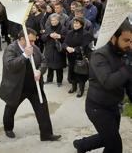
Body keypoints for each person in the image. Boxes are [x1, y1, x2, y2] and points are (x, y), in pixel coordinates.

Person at [73, 19, 132, 153]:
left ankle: (82, 145)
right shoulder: (99, 55)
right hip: (97, 107)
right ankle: (82, 145)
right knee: (115, 145)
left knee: (109, 137)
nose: (130, 45)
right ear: (113, 38)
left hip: (114, 105)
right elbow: (108, 81)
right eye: (126, 40)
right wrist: (128, 68)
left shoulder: (126, 52)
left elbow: (128, 82)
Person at [0, 28, 61, 141]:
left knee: (42, 109)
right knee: (11, 108)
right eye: (31, 41)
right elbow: (10, 66)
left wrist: (40, 71)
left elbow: (43, 61)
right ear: (22, 39)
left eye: (34, 40)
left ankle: (46, 134)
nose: (33, 43)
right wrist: (24, 55)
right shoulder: (11, 49)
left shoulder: (34, 47)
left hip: (34, 86)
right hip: (18, 87)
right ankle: (8, 128)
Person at [63, 17, 93, 97]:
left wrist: (74, 49)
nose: (75, 25)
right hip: (71, 57)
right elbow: (64, 43)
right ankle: (74, 87)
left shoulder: (86, 34)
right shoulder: (70, 33)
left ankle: (81, 89)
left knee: (80, 73)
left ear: (81, 24)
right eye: (74, 23)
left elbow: (85, 46)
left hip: (80, 57)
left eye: (77, 23)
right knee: (72, 72)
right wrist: (67, 47)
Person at [41, 14, 66, 87]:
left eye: (54, 20)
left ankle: (59, 81)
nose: (53, 22)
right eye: (52, 20)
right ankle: (49, 79)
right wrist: (49, 35)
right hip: (49, 49)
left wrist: (59, 36)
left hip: (59, 50)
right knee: (49, 66)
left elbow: (67, 38)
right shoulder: (48, 28)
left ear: (58, 20)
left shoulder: (63, 28)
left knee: (59, 66)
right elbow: (43, 38)